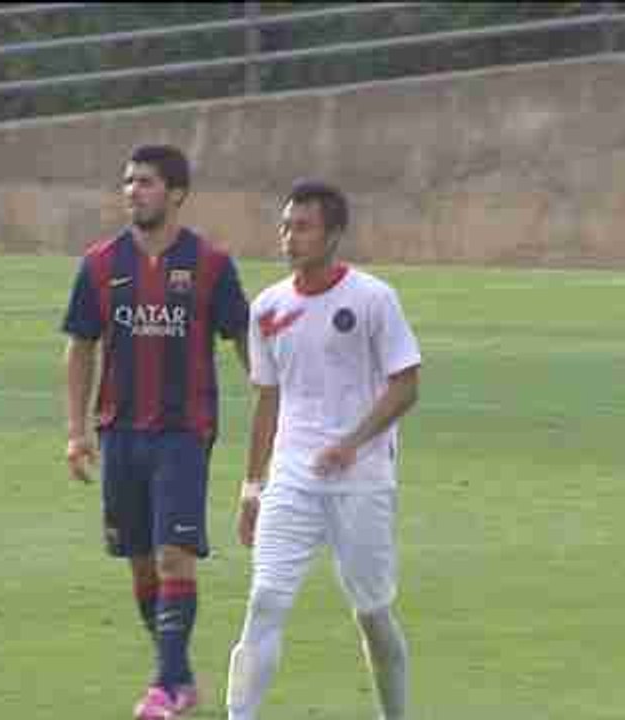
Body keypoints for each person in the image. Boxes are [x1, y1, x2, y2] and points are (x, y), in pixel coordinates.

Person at [61, 144, 250, 720]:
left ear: (176, 193)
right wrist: (77, 431)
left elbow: (245, 341)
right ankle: (181, 676)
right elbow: (79, 348)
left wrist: (283, 405)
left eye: (145, 182)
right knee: (141, 561)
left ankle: (166, 685)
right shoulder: (99, 264)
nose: (132, 192)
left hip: (183, 433)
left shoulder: (211, 265)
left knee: (174, 557)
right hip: (119, 433)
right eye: (127, 182)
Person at [226, 180, 422, 720]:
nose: (289, 237)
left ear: (334, 235)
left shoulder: (373, 299)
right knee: (265, 601)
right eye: (285, 225)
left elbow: (406, 385)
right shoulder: (267, 307)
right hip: (292, 476)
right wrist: (251, 488)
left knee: (373, 615)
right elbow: (266, 400)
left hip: (362, 478)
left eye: (303, 226)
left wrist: (351, 443)